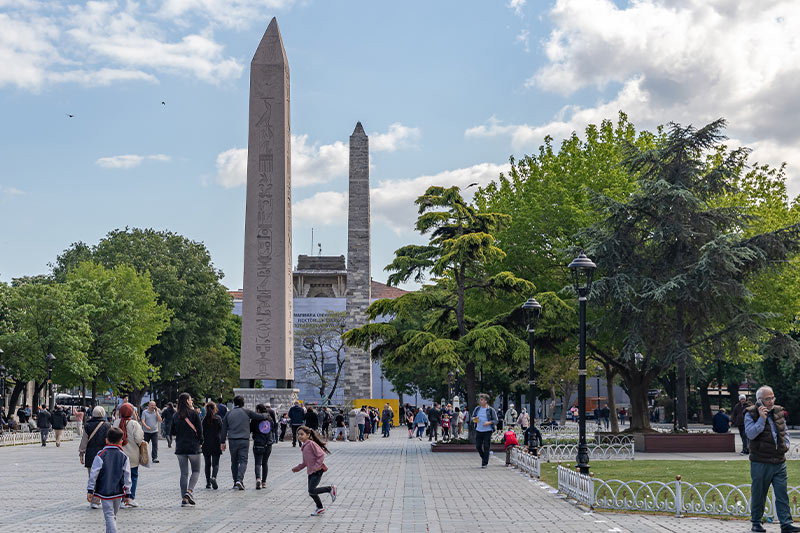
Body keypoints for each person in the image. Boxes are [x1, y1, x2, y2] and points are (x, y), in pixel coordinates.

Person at [745, 386, 799, 533]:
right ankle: (756, 523)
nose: (771, 401)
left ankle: (786, 523)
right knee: (759, 494)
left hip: (779, 461)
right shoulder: (751, 413)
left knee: (782, 493)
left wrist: (786, 445)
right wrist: (762, 420)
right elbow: (750, 434)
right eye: (767, 399)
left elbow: (784, 431)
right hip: (760, 461)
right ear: (759, 400)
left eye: (772, 397)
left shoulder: (778, 411)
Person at [87, 427, 132, 533]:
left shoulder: (100, 455)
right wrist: (128, 494)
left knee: (109, 515)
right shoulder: (124, 456)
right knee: (113, 515)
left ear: (106, 440)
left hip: (104, 490)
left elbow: (93, 474)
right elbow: (127, 476)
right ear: (121, 442)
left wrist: (90, 490)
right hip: (118, 491)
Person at [220, 395, 267, 490]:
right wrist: (267, 414)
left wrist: (222, 442)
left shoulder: (229, 414)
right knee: (243, 461)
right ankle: (239, 479)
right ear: (243, 403)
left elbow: (224, 428)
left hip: (232, 440)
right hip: (244, 440)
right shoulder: (247, 412)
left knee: (234, 461)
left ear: (234, 403)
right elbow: (260, 416)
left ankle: (234, 483)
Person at [291, 426, 336, 516]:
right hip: (311, 471)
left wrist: (316, 466)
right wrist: (297, 468)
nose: (299, 436)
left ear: (308, 435)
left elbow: (321, 455)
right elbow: (305, 462)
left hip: (318, 470)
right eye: (298, 434)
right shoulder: (304, 446)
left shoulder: (311, 444)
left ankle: (330, 489)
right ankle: (320, 508)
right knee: (311, 492)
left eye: (302, 434)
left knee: (312, 489)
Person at [171, 392, 203, 507]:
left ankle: (184, 498)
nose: (192, 401)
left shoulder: (176, 415)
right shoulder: (194, 414)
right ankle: (189, 492)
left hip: (180, 448)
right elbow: (200, 430)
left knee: (183, 473)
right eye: (190, 399)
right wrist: (201, 442)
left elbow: (172, 432)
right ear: (187, 401)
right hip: (193, 447)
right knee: (196, 471)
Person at [112, 403, 144, 508]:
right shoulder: (134, 424)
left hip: (118, 454)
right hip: (132, 454)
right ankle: (130, 498)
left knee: (121, 477)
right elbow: (139, 439)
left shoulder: (116, 423)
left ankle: (121, 499)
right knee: (133, 476)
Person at [80, 406, 111, 509]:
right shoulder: (107, 426)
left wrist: (81, 453)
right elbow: (110, 441)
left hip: (91, 455)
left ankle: (93, 500)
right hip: (104, 455)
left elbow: (84, 440)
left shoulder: (87, 425)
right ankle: (98, 499)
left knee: (92, 477)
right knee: (102, 478)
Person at [251, 404, 274, 490]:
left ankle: (258, 479)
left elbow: (251, 429)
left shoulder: (255, 419)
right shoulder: (270, 419)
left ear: (258, 410)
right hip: (268, 444)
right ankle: (264, 482)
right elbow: (272, 429)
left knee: (258, 463)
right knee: (265, 463)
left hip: (258, 443)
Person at [472, 394, 498, 468]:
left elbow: (496, 420)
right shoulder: (477, 409)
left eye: (482, 400)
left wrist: (488, 423)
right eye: (480, 399)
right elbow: (472, 417)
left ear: (486, 401)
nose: (480, 401)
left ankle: (484, 463)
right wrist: (474, 419)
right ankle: (484, 457)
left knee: (486, 446)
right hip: (478, 430)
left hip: (487, 430)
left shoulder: (491, 410)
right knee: (478, 446)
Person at [202, 401, 223, 490]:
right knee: (215, 463)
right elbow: (222, 430)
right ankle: (213, 477)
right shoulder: (218, 419)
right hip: (216, 442)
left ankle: (207, 483)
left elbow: (201, 432)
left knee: (207, 463)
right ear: (215, 409)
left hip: (206, 443)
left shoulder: (203, 420)